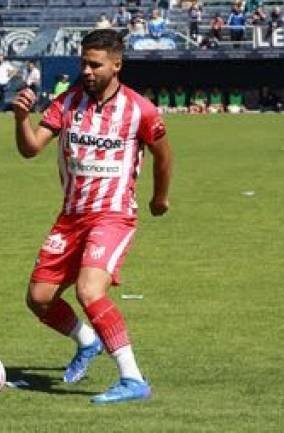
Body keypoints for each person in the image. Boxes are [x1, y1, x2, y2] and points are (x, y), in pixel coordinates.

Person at [11, 29, 172, 405]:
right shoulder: (68, 102)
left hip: (113, 216)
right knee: (39, 298)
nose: (86, 70)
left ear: (117, 65)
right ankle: (87, 341)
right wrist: (20, 120)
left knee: (89, 291)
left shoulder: (139, 110)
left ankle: (132, 378)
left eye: (94, 64)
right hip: (71, 218)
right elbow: (31, 149)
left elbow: (164, 154)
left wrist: (159, 198)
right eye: (83, 62)